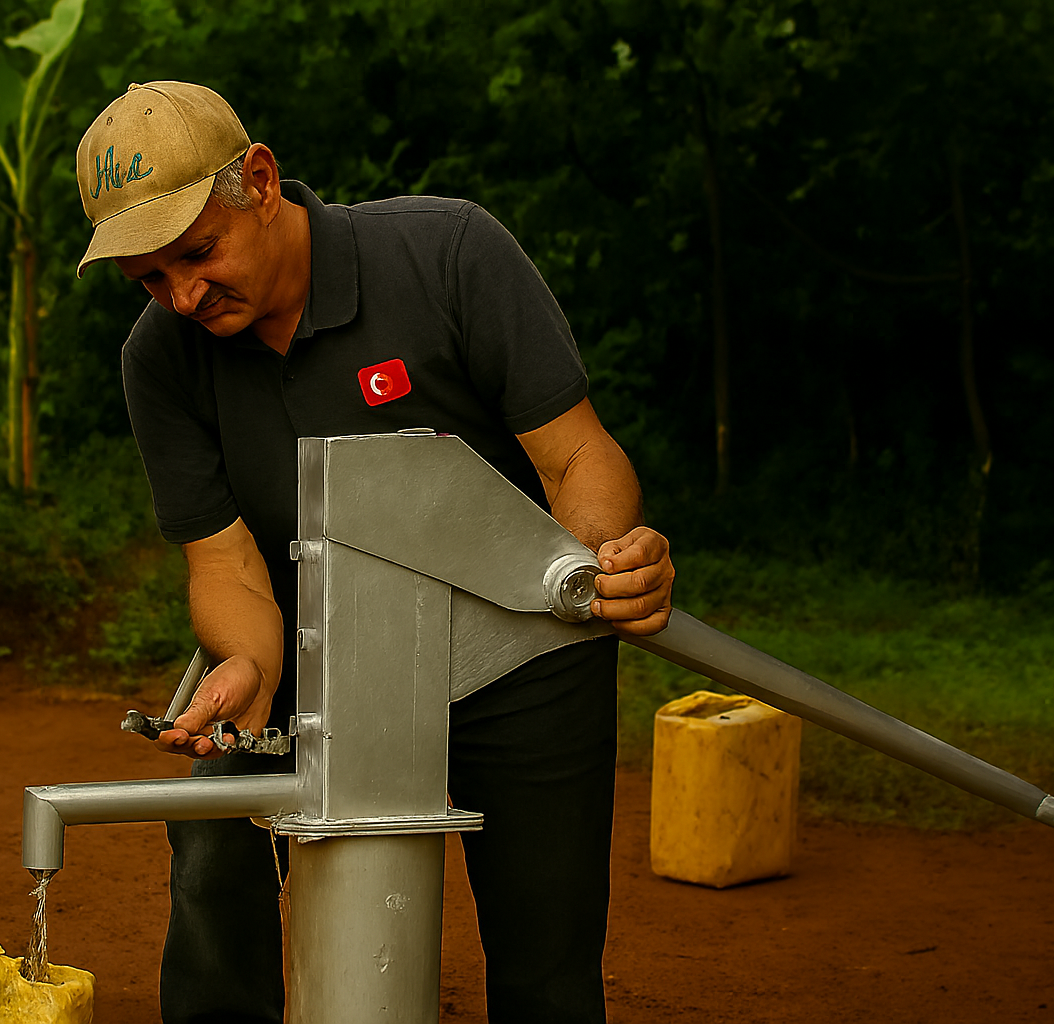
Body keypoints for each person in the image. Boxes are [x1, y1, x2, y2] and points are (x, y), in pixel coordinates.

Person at [75, 81, 675, 1024]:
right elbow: (226, 565)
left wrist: (598, 560)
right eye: (148, 279)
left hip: (519, 647)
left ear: (261, 183)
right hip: (322, 649)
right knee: (213, 838)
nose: (183, 296)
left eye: (198, 253)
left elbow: (577, 458)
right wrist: (248, 664)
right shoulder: (160, 357)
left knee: (546, 950)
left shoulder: (447, 254)